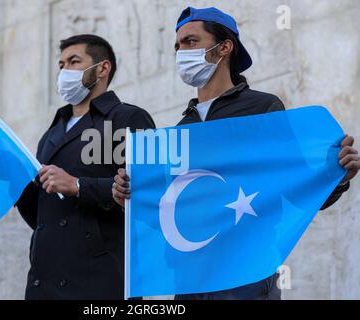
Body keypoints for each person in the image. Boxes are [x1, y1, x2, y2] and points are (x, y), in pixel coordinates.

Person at [112, 7, 359, 300]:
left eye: (190, 41)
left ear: (224, 47)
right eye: (178, 46)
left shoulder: (263, 110)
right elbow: (170, 215)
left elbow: (295, 191)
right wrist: (130, 200)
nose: (181, 52)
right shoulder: (179, 129)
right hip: (191, 280)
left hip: (247, 278)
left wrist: (338, 178)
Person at [16, 34, 155, 299]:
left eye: (74, 61)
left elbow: (148, 193)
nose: (64, 70)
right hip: (43, 281)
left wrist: (78, 185)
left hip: (100, 281)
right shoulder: (51, 134)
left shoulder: (127, 118)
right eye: (61, 64)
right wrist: (17, 186)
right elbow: (43, 216)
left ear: (102, 68)